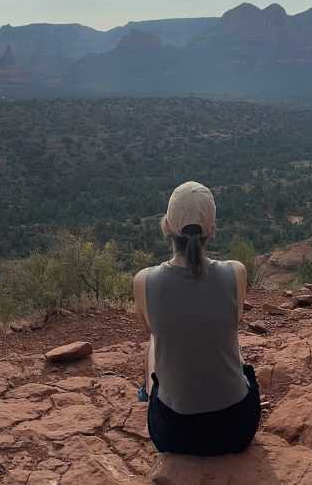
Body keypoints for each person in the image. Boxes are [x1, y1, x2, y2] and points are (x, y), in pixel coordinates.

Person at [135, 181, 259, 456]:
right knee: (227, 336)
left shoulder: (144, 281)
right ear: (212, 230)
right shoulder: (235, 272)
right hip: (237, 428)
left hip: (174, 434)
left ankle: (146, 395)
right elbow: (234, 320)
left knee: (154, 341)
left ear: (166, 226)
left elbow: (151, 329)